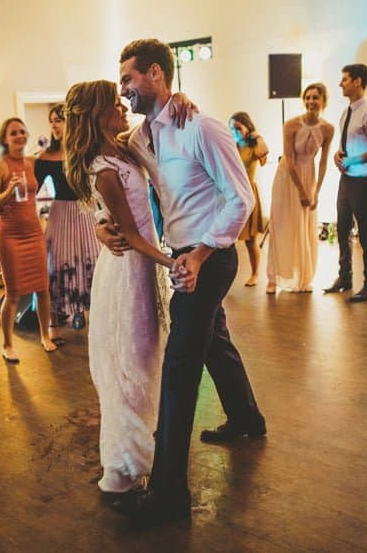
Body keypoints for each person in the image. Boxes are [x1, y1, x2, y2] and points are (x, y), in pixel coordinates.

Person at [104, 38, 266, 524]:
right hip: (181, 255)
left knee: (179, 367)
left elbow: (241, 200)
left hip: (210, 257)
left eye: (129, 79)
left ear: (155, 73)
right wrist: (100, 221)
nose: (124, 89)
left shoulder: (202, 127)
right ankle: (246, 419)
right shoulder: (139, 138)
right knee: (213, 340)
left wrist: (198, 253)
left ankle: (169, 492)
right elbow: (103, 167)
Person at [64, 80, 173, 499]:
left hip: (141, 264)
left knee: (144, 359)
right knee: (129, 364)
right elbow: (131, 234)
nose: (123, 107)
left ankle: (137, 452)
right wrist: (172, 260)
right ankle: (122, 469)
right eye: (114, 104)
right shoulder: (104, 168)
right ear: (97, 114)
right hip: (130, 267)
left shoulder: (121, 147)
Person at [0, 118, 58, 362]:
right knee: (14, 292)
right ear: (5, 139)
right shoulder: (0, 167)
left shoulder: (32, 162)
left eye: (21, 132)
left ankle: (45, 335)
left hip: (33, 233)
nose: (18, 136)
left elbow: (57, 158)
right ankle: (7, 344)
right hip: (10, 235)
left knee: (43, 288)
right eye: (13, 133)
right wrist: (8, 192)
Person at [324, 63, 367, 302]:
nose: (341, 84)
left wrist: (352, 159)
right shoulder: (346, 112)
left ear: (358, 81)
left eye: (345, 79)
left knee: (365, 232)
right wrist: (338, 156)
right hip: (347, 178)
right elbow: (343, 146)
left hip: (364, 179)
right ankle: (345, 277)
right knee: (342, 229)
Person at [35, 103, 100, 332]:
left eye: (59, 119)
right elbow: (32, 190)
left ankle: (91, 309)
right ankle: (69, 310)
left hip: (84, 210)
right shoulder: (45, 157)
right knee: (61, 263)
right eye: (52, 120)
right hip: (60, 212)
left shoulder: (84, 151)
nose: (54, 124)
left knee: (90, 260)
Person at [266, 83, 335, 294]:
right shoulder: (291, 125)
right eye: (307, 98)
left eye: (315, 98)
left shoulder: (327, 129)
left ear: (323, 101)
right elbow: (289, 158)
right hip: (288, 177)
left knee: (303, 227)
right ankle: (273, 278)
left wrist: (316, 191)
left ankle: (302, 276)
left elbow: (323, 162)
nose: (311, 102)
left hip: (309, 175)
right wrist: (302, 191)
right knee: (281, 225)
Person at [228, 112, 268, 287]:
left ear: (247, 127)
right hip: (231, 194)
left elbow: (264, 154)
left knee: (251, 241)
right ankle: (227, 276)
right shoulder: (231, 145)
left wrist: (256, 136)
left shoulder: (253, 145)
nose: (234, 131)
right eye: (232, 128)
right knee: (226, 240)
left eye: (238, 128)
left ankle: (254, 274)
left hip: (249, 193)